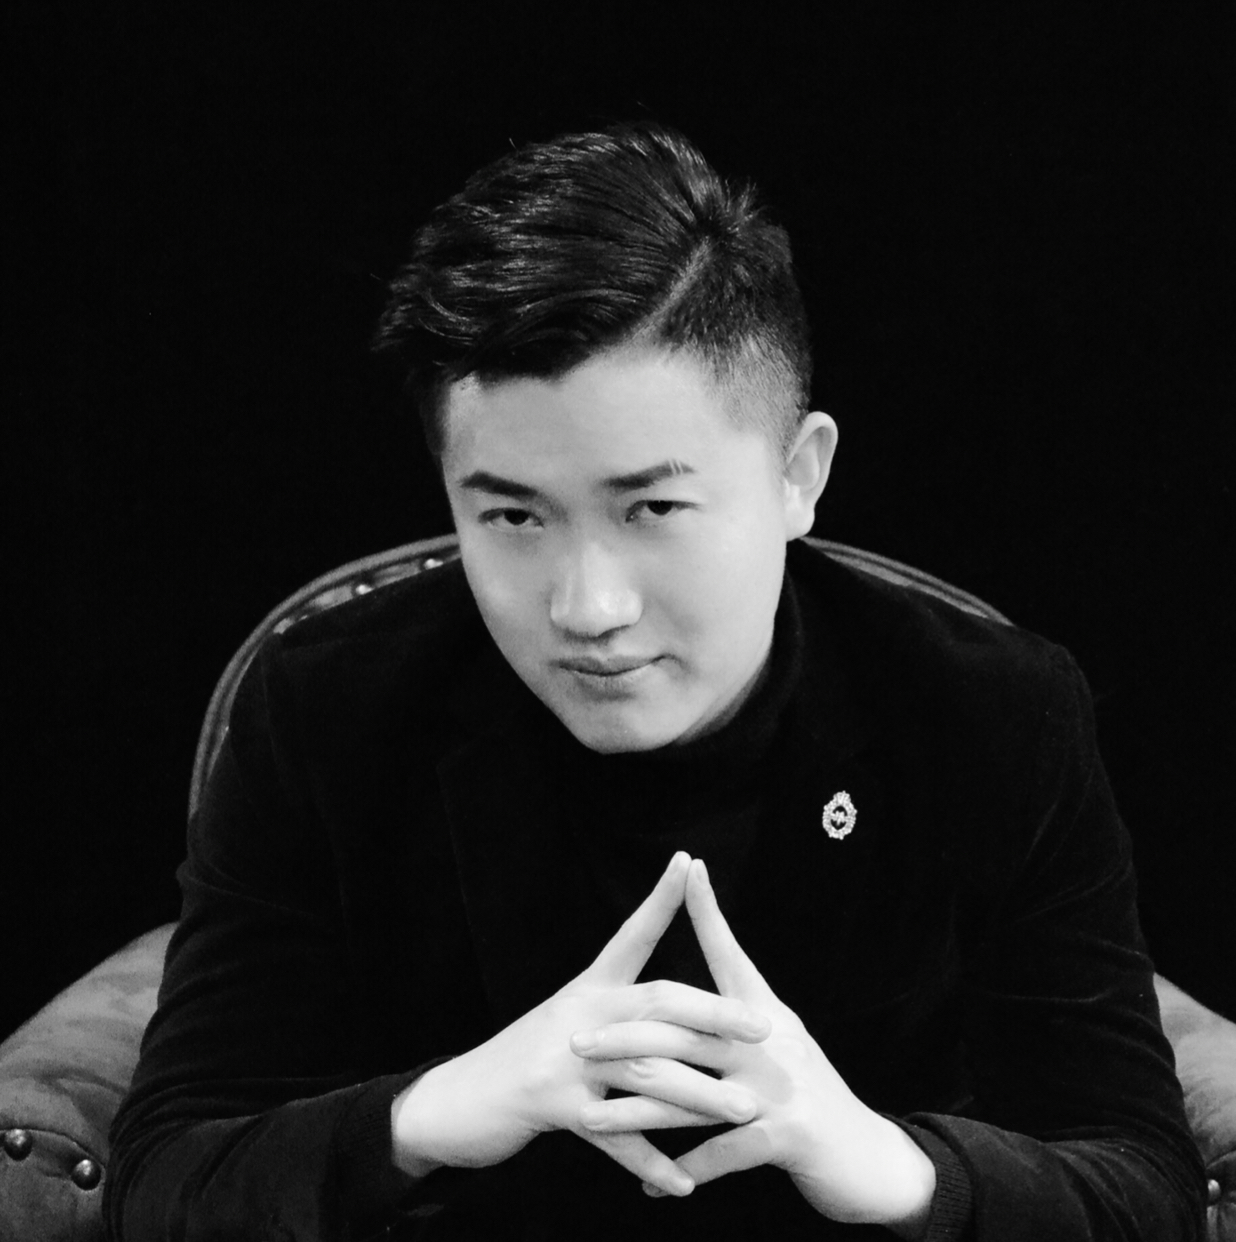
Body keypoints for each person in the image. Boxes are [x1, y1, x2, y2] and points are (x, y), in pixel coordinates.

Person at [105, 123, 1206, 1240]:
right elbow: (165, 1180)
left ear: (798, 476)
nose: (588, 608)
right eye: (514, 518)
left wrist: (883, 1161)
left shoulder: (989, 718)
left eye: (653, 508)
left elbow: (1144, 1190)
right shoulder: (328, 710)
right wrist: (441, 1109)